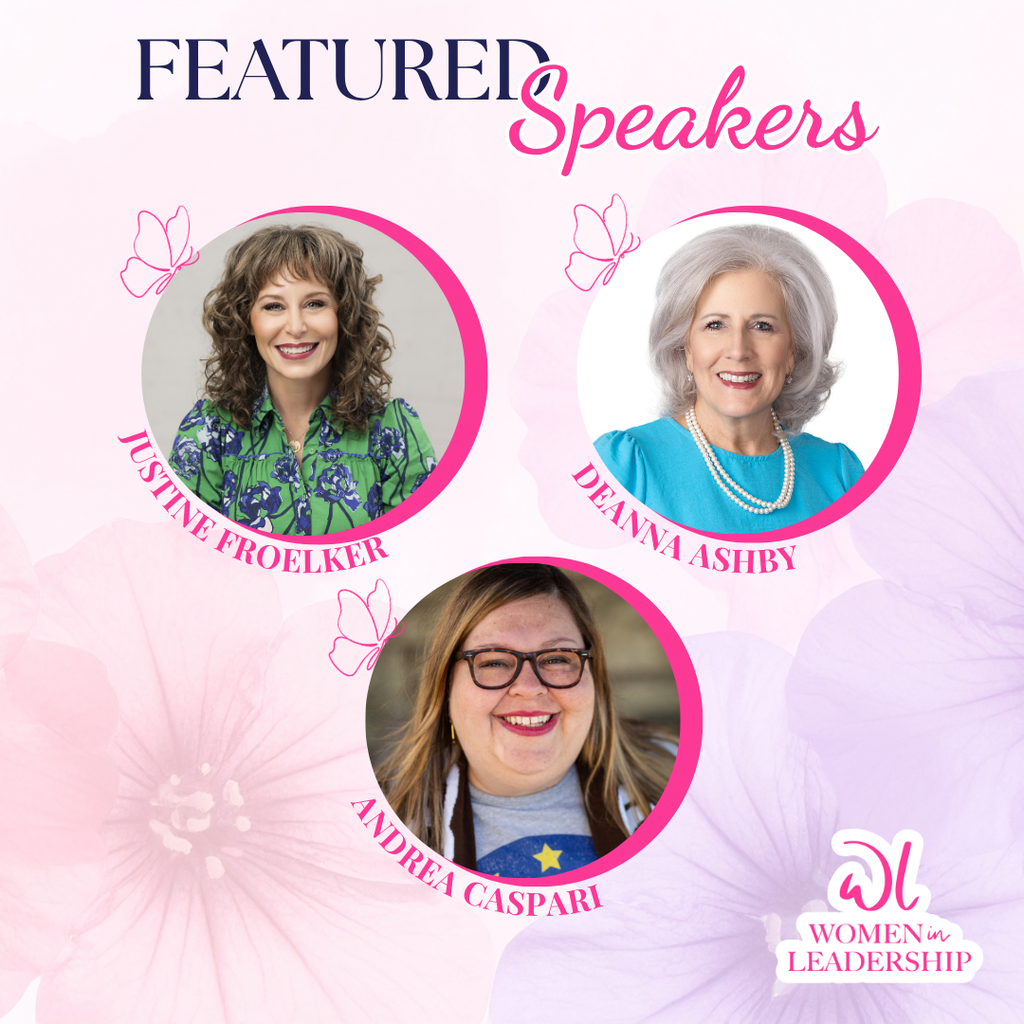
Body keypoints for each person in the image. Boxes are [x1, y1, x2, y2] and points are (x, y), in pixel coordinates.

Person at [376, 564, 677, 878]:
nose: (530, 688)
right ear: (446, 688)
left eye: (557, 658)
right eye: (494, 661)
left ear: (594, 678)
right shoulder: (378, 829)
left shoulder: (682, 777)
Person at [595, 224, 864, 534]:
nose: (738, 351)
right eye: (715, 325)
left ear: (793, 351)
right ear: (686, 348)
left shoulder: (840, 474)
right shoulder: (626, 467)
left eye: (762, 326)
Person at [170, 224, 436, 535]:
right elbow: (184, 564)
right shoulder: (207, 433)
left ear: (344, 315)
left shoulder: (394, 429)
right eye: (273, 306)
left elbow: (419, 559)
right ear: (247, 321)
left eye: (315, 303)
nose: (295, 327)